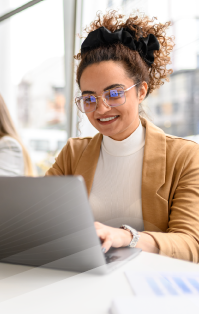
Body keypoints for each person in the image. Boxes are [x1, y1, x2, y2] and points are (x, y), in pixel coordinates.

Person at [46, 11, 199, 263]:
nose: (101, 108)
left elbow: (191, 244)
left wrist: (128, 237)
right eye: (89, 98)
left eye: (114, 94)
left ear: (141, 91)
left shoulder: (184, 157)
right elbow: (37, 215)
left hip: (149, 285)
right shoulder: (73, 154)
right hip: (85, 277)